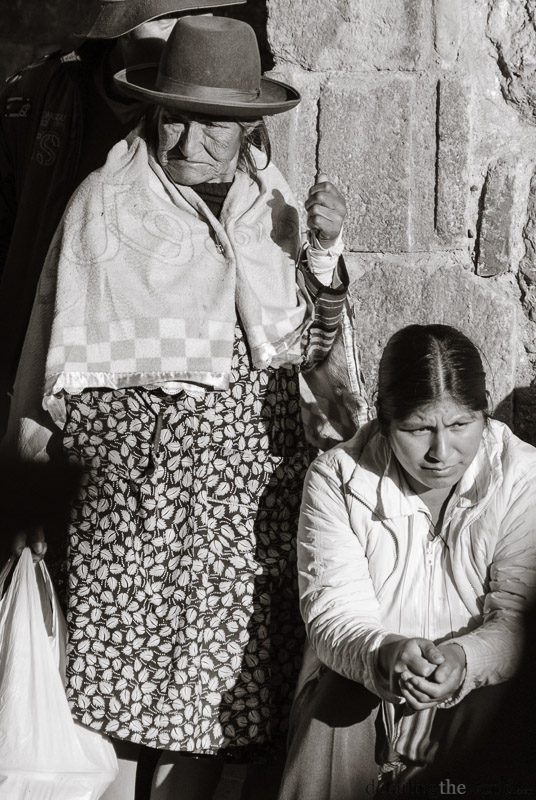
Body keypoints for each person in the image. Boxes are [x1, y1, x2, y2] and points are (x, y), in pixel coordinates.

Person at [3, 15, 358, 800]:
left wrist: (324, 256)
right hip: (131, 522)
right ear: (153, 113)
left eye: (217, 125)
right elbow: (55, 361)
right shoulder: (104, 204)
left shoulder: (276, 211)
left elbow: (309, 350)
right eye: (178, 116)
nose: (192, 140)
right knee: (114, 713)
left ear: (250, 130)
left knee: (211, 719)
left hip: (239, 526)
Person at [278, 324, 536, 799]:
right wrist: (384, 655)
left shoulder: (521, 475)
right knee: (336, 708)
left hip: (480, 686)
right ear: (384, 419)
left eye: (460, 425)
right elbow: (334, 612)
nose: (441, 452)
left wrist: (464, 659)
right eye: (418, 429)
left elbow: (519, 615)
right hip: (364, 686)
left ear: (484, 413)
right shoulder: (339, 477)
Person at [0, 0, 246, 435]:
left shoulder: (219, 111)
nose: (187, 33)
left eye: (202, 13)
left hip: (152, 375)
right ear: (119, 27)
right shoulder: (34, 93)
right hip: (33, 342)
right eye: (165, 20)